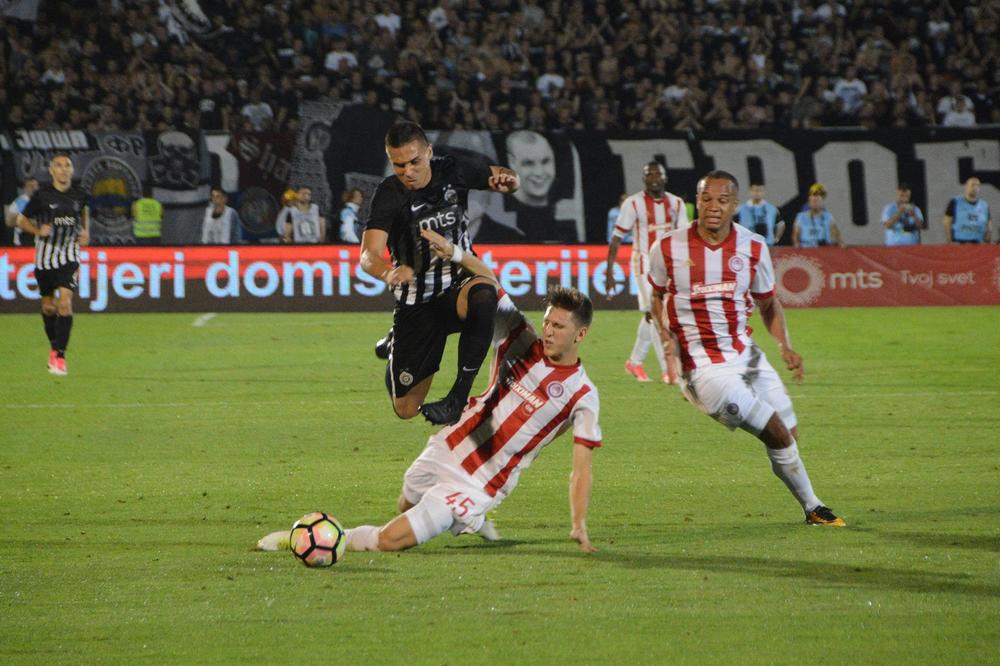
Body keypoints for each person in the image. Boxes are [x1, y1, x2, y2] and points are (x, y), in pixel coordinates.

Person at [258, 236, 601, 554]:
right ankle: (471, 522)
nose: (549, 331)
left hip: (478, 482)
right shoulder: (521, 339)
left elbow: (580, 469)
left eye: (559, 327)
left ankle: (314, 539)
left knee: (391, 540)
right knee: (405, 504)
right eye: (548, 322)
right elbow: (491, 284)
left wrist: (578, 522)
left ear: (580, 334)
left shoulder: (582, 394)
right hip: (449, 446)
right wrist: (454, 253)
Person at [647, 170, 845, 527]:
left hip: (747, 353)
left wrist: (785, 346)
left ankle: (808, 503)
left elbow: (769, 304)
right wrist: (667, 343)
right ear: (697, 201)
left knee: (789, 435)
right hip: (703, 367)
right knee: (777, 433)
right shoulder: (667, 247)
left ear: (734, 205)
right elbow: (656, 297)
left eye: (722, 201)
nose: (713, 207)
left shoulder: (753, 247)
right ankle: (815, 508)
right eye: (706, 199)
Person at [361, 121, 520, 426]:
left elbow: (506, 176)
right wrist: (388, 273)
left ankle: (457, 399)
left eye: (414, 162)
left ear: (429, 152)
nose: (408, 171)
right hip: (417, 302)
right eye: (399, 165)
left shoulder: (454, 170)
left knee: (485, 293)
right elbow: (368, 255)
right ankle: (398, 345)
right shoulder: (389, 194)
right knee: (406, 408)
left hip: (458, 283)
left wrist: (511, 182)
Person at [605, 162, 688, 384]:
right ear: (643, 179)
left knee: (656, 315)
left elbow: (684, 237)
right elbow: (616, 237)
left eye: (657, 174)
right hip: (643, 264)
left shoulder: (677, 204)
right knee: (654, 314)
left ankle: (634, 362)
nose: (654, 178)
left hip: (669, 266)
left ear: (665, 177)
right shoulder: (633, 204)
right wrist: (609, 269)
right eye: (649, 174)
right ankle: (667, 369)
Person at [14, 154, 89, 376]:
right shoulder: (42, 196)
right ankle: (54, 347)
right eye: (59, 165)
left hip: (69, 256)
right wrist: (38, 231)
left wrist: (85, 232)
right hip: (45, 259)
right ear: (51, 171)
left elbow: (83, 215)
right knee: (48, 307)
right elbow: (20, 220)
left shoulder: (80, 195)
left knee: (65, 304)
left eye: (67, 166)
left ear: (72, 170)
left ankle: (60, 356)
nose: (63, 169)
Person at [474, 130, 578, 242]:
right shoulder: (498, 216)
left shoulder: (565, 208)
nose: (539, 172)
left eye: (545, 161)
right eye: (528, 163)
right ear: (512, 163)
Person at [792, 183, 843, 248]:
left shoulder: (828, 217)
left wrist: (841, 243)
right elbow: (795, 235)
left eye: (818, 200)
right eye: (813, 200)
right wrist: (796, 245)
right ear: (809, 201)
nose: (815, 203)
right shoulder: (800, 217)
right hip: (806, 250)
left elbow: (836, 233)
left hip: (824, 250)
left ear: (822, 201)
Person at [943, 177, 992, 244]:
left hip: (978, 244)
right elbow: (947, 222)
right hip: (959, 243)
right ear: (966, 186)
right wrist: (949, 241)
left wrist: (988, 241)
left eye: (977, 185)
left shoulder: (984, 205)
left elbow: (989, 225)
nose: (974, 188)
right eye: (972, 185)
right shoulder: (955, 202)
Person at [5, 177, 39, 246]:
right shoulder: (19, 202)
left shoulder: (41, 201)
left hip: (38, 240)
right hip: (23, 239)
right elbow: (9, 221)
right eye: (31, 186)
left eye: (36, 186)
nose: (34, 189)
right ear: (25, 188)